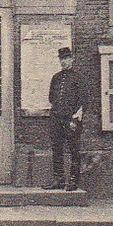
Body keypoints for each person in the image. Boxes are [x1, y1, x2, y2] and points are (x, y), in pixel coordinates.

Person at [43, 46, 86, 191]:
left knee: (74, 149)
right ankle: (59, 179)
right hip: (56, 118)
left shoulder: (78, 78)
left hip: (71, 118)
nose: (64, 62)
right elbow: (51, 97)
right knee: (57, 148)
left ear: (72, 59)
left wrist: (75, 119)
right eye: (62, 59)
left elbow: (83, 100)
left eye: (67, 58)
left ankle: (74, 181)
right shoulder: (56, 78)